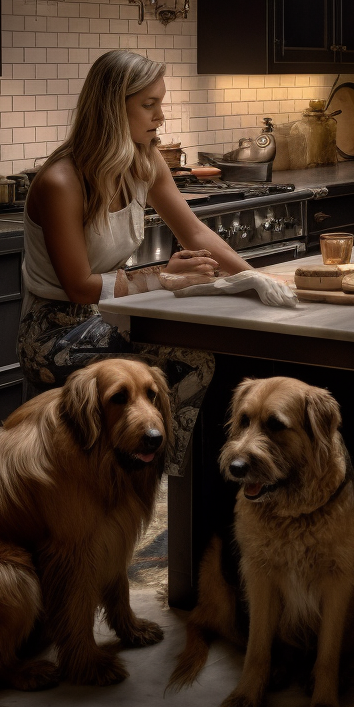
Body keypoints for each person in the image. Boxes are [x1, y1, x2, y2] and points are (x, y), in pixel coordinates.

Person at [17, 49, 253, 476]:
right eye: (149, 104)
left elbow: (195, 233)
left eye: (160, 102)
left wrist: (257, 280)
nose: (160, 116)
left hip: (113, 316)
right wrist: (161, 277)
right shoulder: (60, 182)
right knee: (192, 360)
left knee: (220, 344)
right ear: (111, 108)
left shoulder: (143, 163)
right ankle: (155, 477)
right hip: (52, 331)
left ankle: (185, 493)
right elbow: (79, 287)